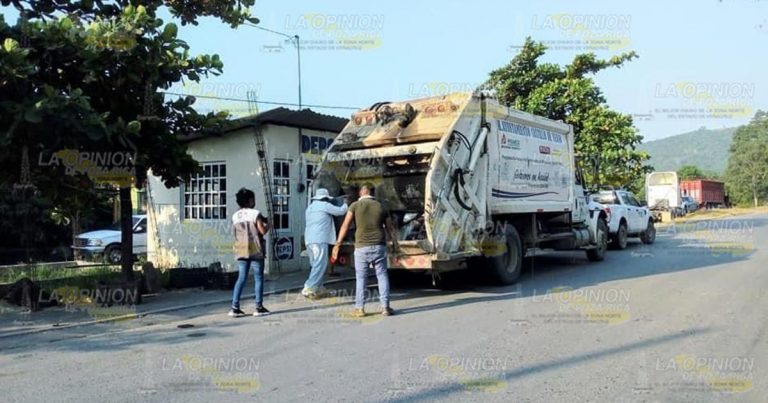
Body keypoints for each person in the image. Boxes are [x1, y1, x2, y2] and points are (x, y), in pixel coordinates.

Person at [332, 183, 398, 317]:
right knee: (382, 275)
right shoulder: (381, 206)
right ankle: (385, 307)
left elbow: (345, 225)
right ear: (372, 193)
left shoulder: (355, 206)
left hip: (361, 247)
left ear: (362, 192)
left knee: (361, 278)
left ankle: (360, 309)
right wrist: (394, 243)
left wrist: (338, 244)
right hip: (379, 245)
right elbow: (390, 227)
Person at [229, 188, 271, 317]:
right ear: (251, 200)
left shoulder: (235, 216)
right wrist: (269, 223)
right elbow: (262, 231)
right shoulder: (255, 213)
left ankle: (235, 307)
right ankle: (258, 307)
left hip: (241, 249)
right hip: (255, 249)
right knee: (258, 278)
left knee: (241, 278)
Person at [302, 188, 348, 299]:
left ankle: (318, 286)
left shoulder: (310, 208)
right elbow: (341, 211)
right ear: (325, 198)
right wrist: (347, 202)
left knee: (315, 264)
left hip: (309, 239)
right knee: (320, 264)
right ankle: (309, 287)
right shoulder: (324, 205)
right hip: (319, 239)